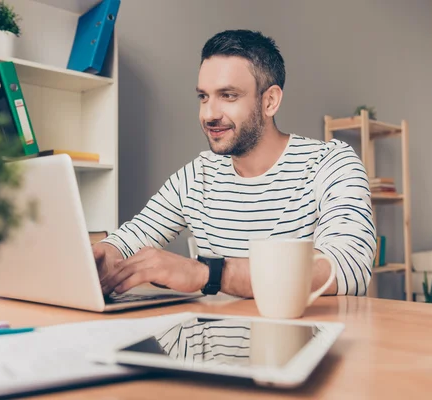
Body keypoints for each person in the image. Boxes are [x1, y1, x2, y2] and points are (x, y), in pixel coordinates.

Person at [94, 29, 375, 298]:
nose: (209, 114)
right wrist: (102, 255)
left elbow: (349, 266)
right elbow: (131, 239)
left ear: (270, 101)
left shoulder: (331, 164)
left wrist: (208, 274)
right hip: (217, 343)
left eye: (228, 96)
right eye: (203, 96)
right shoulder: (195, 176)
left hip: (304, 342)